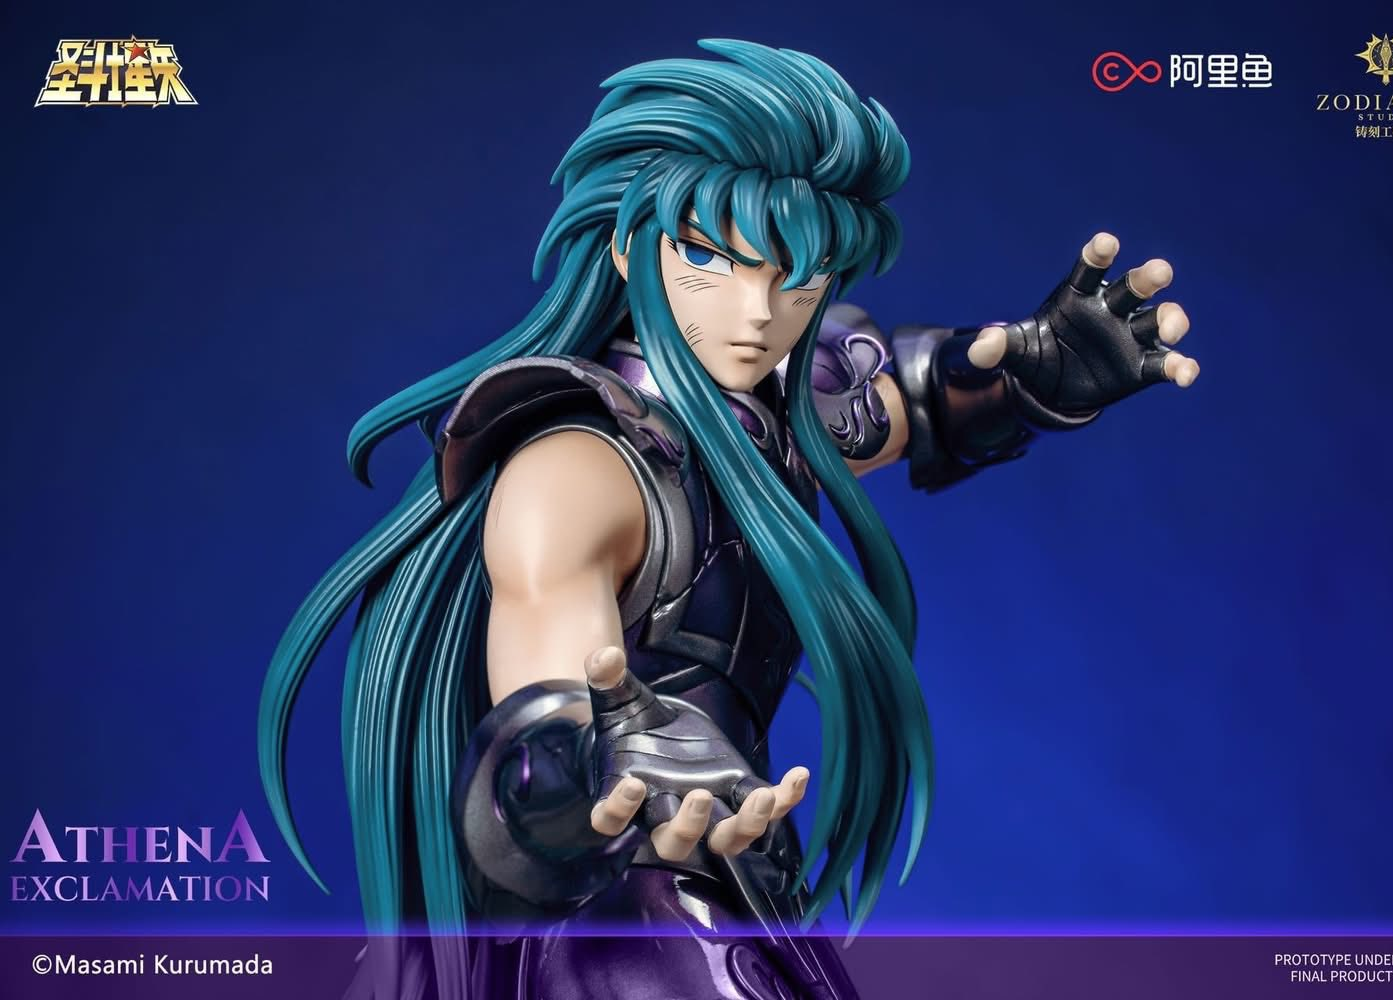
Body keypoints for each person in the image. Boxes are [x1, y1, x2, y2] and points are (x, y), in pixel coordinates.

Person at [258, 38, 1199, 1000]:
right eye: (710, 257)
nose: (757, 312)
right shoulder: (578, 471)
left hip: (741, 886)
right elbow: (540, 734)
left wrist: (1032, 378)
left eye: (797, 272)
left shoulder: (773, 415)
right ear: (630, 247)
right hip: (611, 927)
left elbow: (906, 402)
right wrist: (603, 766)